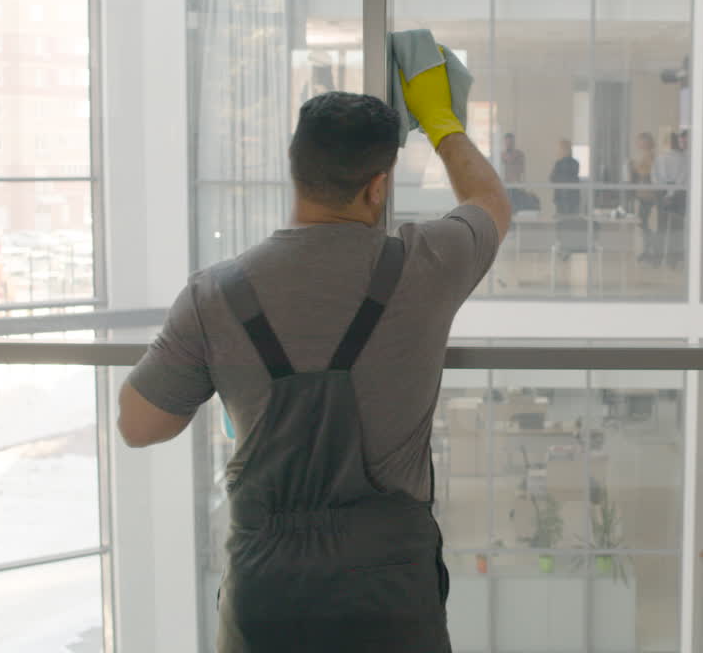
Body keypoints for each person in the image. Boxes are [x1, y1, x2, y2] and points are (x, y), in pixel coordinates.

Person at [115, 54, 511, 652]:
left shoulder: (215, 294)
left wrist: (228, 379)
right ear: (377, 186)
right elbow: (490, 203)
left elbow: (139, 425)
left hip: (268, 592)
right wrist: (440, 120)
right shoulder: (425, 264)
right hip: (391, 592)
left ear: (296, 171)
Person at [650, 130, 689, 267]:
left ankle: (657, 259)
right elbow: (682, 179)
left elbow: (655, 178)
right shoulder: (684, 159)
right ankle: (673, 260)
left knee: (661, 227)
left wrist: (664, 193)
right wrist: (671, 193)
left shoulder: (660, 158)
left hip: (663, 193)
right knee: (676, 228)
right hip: (679, 194)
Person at [629, 132, 657, 263]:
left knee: (646, 224)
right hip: (641, 195)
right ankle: (647, 249)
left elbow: (646, 171)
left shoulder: (651, 156)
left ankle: (651, 249)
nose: (638, 144)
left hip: (649, 195)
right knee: (642, 224)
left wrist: (635, 167)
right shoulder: (642, 156)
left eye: (641, 141)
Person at [501, 132, 540, 213]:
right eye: (507, 142)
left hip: (517, 186)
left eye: (511, 142)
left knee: (517, 209)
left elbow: (522, 170)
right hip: (506, 187)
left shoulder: (519, 155)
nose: (509, 144)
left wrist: (521, 184)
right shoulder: (501, 155)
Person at [550, 138, 582, 216]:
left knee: (562, 221)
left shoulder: (559, 163)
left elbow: (552, 178)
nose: (557, 151)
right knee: (572, 221)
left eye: (559, 149)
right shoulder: (575, 163)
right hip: (573, 198)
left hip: (562, 197)